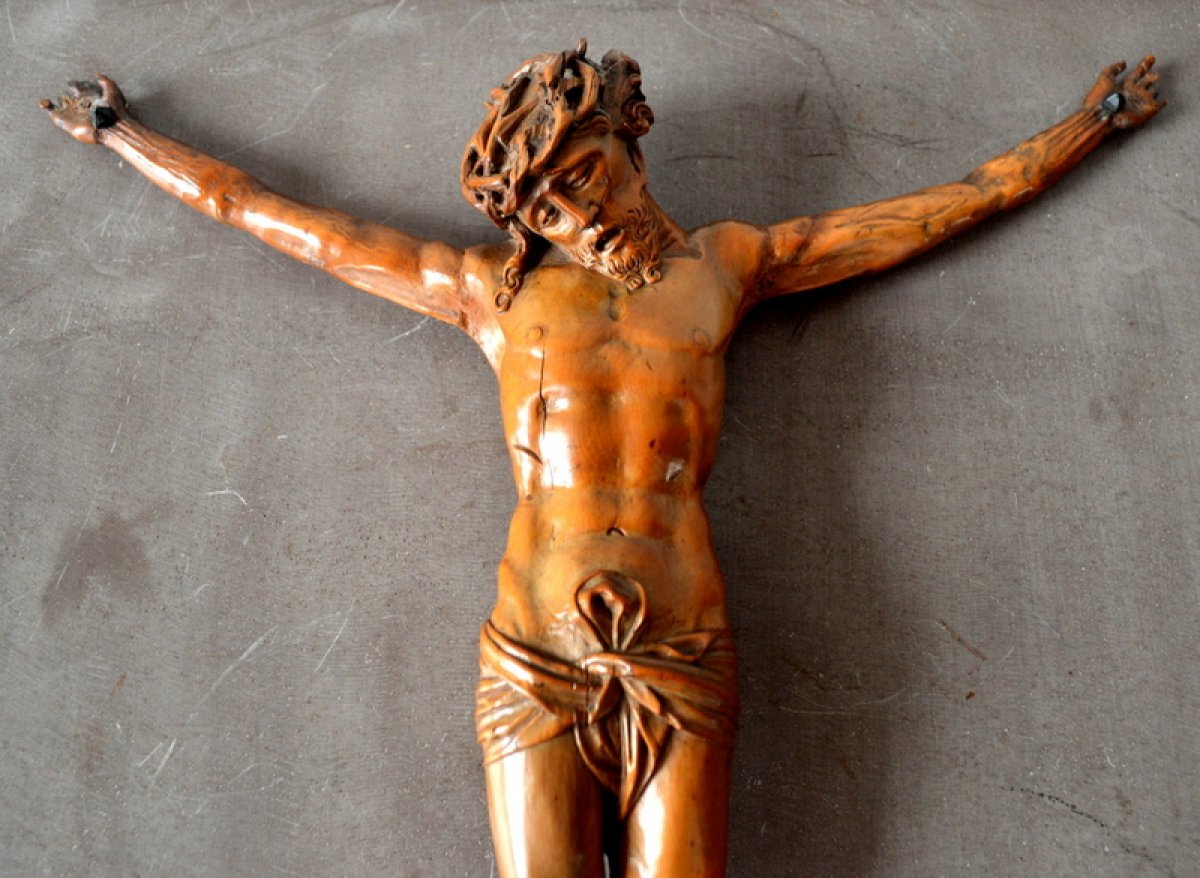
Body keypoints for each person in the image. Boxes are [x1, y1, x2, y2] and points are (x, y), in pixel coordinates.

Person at [41, 41, 1163, 878]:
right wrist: (124, 134)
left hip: (684, 644)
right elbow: (273, 215)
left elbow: (933, 212)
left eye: (582, 180)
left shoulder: (727, 267)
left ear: (630, 137)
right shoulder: (492, 294)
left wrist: (1086, 126)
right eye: (546, 208)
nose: (575, 219)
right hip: (533, 649)